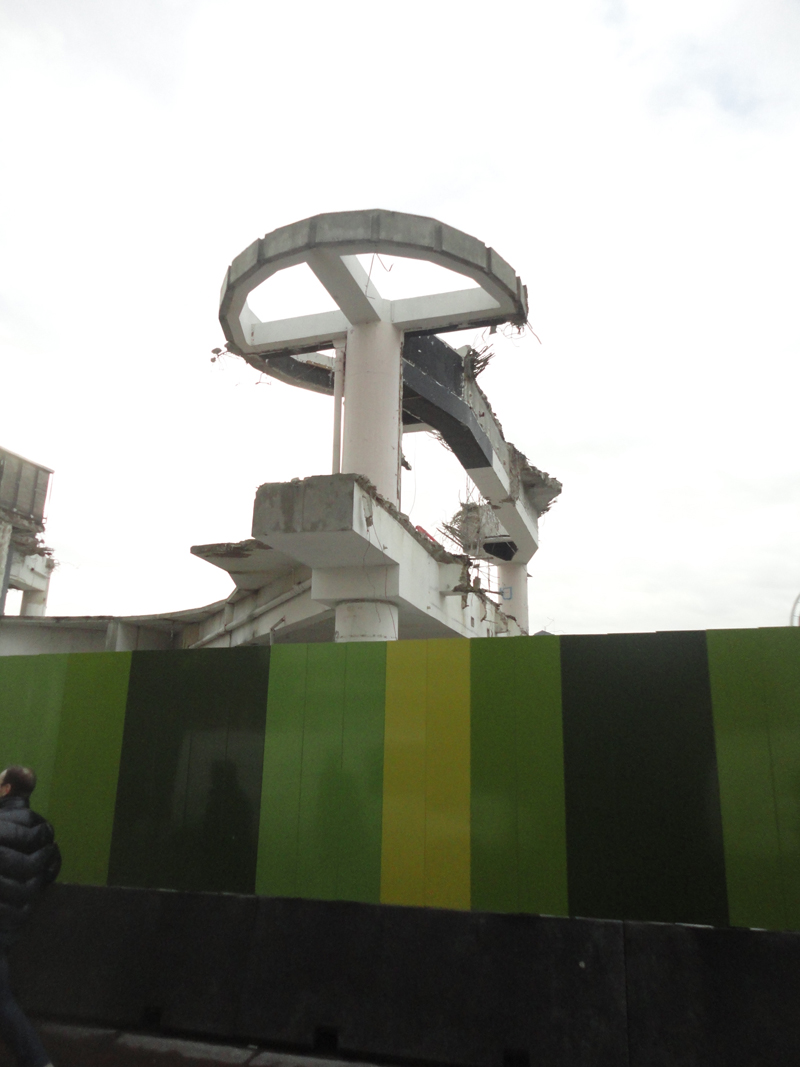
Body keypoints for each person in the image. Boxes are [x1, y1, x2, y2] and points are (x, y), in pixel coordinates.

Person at [0, 766, 60, 1067]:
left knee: (2, 1002)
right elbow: (50, 870)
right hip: (12, 925)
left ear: (7, 789)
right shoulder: (43, 829)